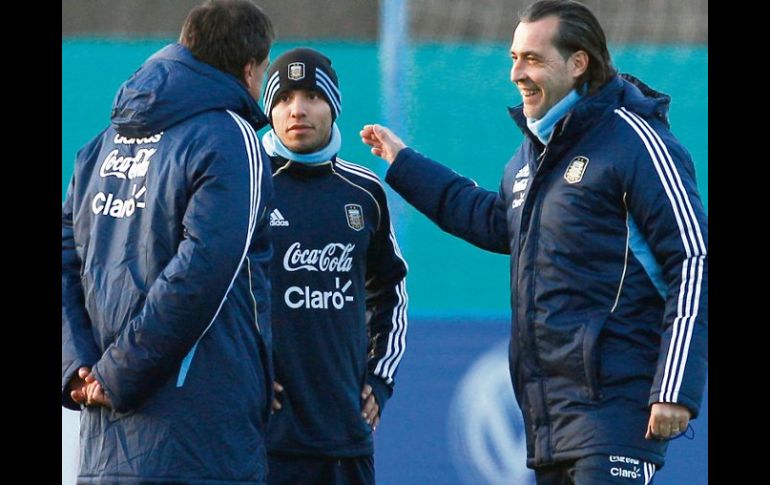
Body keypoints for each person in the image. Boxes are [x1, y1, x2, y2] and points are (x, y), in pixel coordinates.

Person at [361, 0, 707, 483]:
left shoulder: (635, 141)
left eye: (532, 59)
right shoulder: (530, 156)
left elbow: (693, 260)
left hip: (616, 409)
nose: (516, 73)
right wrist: (405, 164)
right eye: (513, 58)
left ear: (578, 62)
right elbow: (493, 220)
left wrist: (675, 386)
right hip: (548, 418)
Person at [61, 1, 276, 483]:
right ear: (249, 69)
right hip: (200, 440)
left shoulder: (99, 147)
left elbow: (65, 263)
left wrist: (80, 368)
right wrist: (119, 374)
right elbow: (204, 269)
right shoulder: (231, 137)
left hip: (104, 444)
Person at [260, 47, 409, 485]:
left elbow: (391, 290)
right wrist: (245, 374)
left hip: (346, 437)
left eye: (312, 96)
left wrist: (379, 379)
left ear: (334, 106)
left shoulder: (364, 191)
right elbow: (214, 292)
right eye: (284, 99)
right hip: (264, 438)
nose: (297, 110)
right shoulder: (246, 183)